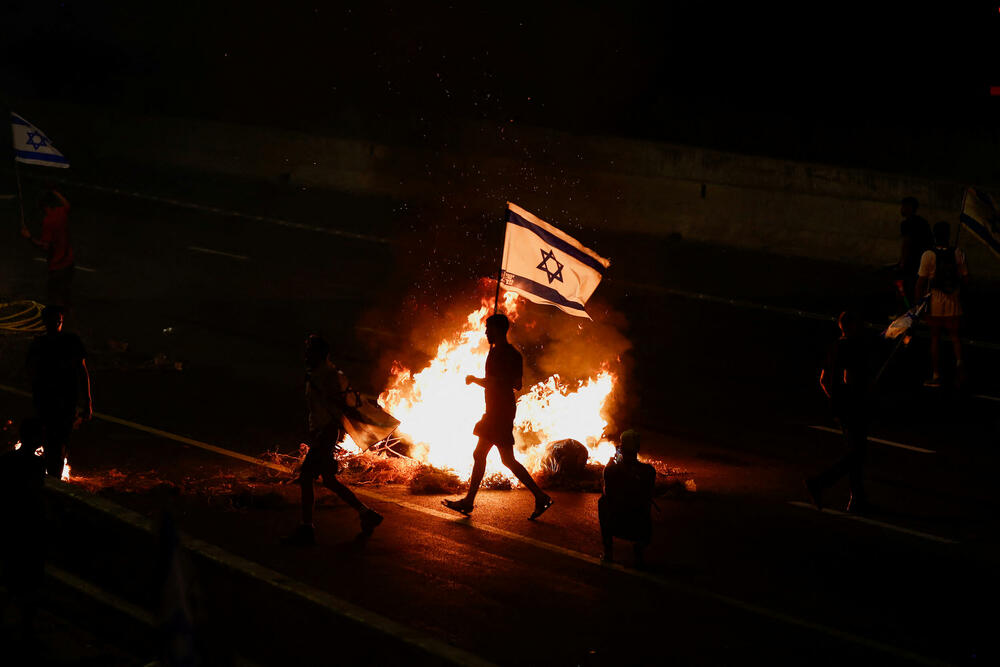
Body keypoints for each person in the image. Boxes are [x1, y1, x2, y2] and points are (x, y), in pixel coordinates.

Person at [443, 314, 553, 520]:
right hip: (500, 409)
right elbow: (517, 384)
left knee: (483, 455)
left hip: (498, 411)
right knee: (505, 459)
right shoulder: (511, 354)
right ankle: (540, 497)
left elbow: (496, 382)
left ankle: (469, 502)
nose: (485, 332)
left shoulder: (499, 354)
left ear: (498, 330)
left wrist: (474, 379)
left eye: (488, 328)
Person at [283, 335, 383, 546]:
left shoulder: (327, 376)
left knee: (306, 477)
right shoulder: (319, 374)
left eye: (310, 352)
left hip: (326, 434)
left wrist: (323, 433)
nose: (306, 355)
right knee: (328, 480)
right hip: (324, 433)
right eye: (306, 351)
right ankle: (366, 514)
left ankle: (307, 529)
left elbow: (336, 406)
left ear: (320, 354)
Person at [805, 310, 870, 514]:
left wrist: (835, 399)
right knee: (855, 454)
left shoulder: (835, 346)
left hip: (841, 408)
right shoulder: (851, 347)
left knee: (854, 453)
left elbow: (824, 379)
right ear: (851, 326)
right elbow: (849, 379)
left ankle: (856, 499)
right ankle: (820, 483)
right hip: (854, 407)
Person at [26, 306, 92, 478]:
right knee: (51, 441)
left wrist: (88, 402)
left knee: (59, 441)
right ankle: (51, 480)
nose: (56, 323)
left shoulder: (70, 341)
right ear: (45, 322)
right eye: (53, 320)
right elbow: (31, 372)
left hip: (64, 402)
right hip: (47, 401)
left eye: (59, 320)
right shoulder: (40, 344)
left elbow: (82, 372)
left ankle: (52, 478)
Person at [0, 419, 47, 648]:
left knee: (12, 577)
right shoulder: (37, 465)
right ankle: (26, 630)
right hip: (27, 529)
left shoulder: (7, 460)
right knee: (28, 582)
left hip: (12, 528)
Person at [916, 221, 969, 388]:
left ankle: (936, 374)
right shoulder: (958, 252)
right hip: (953, 302)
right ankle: (960, 368)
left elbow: (920, 283)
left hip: (935, 303)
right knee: (955, 338)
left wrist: (918, 306)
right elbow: (966, 278)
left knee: (935, 338)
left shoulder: (928, 255)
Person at [598, 430, 656, 567]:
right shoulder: (649, 471)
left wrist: (609, 466)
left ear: (621, 448)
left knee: (602, 502)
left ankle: (608, 552)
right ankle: (639, 550)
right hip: (641, 527)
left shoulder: (611, 470)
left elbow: (607, 491)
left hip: (617, 524)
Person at [21, 188, 75, 309]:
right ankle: (69, 320)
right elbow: (67, 204)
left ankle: (56, 324)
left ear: (45, 207)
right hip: (69, 261)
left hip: (57, 265)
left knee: (54, 297)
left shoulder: (49, 221)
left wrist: (29, 237)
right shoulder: (61, 212)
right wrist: (56, 192)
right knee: (66, 295)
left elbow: (45, 246)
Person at [897, 196, 933, 307]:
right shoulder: (923, 222)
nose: (901, 209)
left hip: (912, 262)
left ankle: (909, 311)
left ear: (910, 208)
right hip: (923, 260)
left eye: (903, 206)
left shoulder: (906, 224)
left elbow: (907, 243)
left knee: (908, 288)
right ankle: (919, 310)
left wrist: (903, 261)